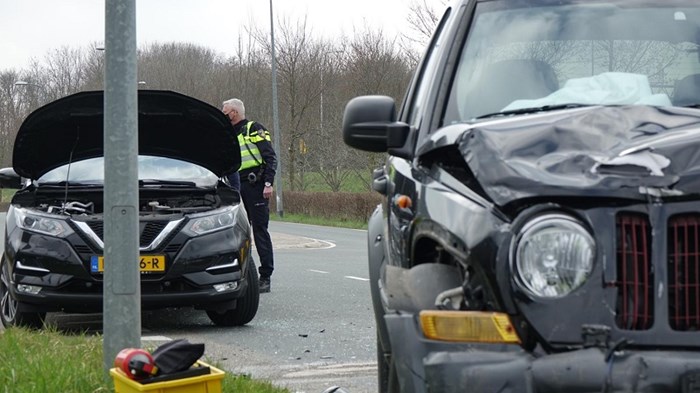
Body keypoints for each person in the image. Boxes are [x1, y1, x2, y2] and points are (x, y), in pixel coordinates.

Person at [222, 98, 277, 293]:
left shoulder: (253, 129)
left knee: (259, 230)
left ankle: (265, 277)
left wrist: (268, 183)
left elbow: (270, 157)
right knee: (235, 232)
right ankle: (240, 274)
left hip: (256, 184)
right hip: (235, 185)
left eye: (226, 112)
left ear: (234, 113)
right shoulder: (227, 133)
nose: (224, 115)